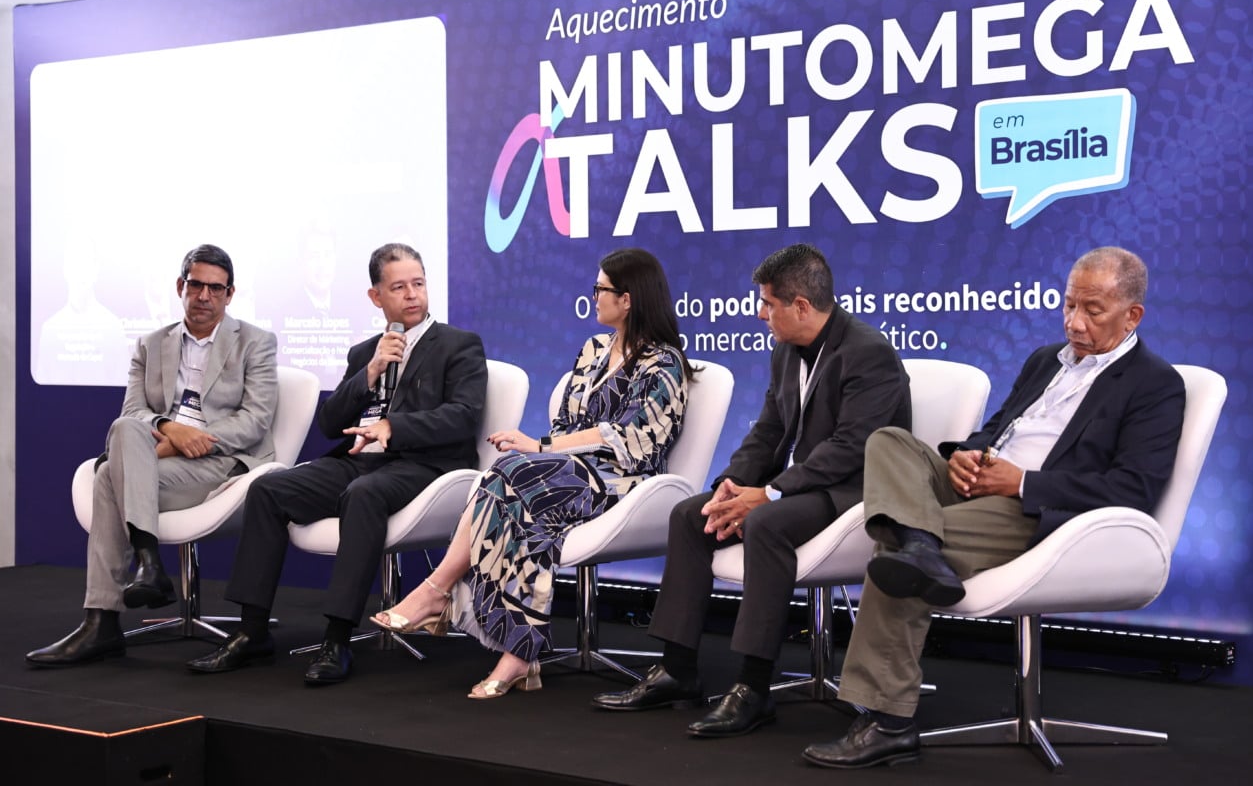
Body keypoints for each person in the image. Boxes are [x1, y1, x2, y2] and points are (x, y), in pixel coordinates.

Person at [800, 246, 1186, 769]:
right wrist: (965, 455)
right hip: (980, 484)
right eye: (1069, 305)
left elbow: (1133, 488)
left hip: (1035, 512)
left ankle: (889, 721)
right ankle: (922, 544)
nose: (1074, 321)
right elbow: (999, 426)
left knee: (893, 554)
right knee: (890, 441)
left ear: (1132, 314)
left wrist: (1022, 483)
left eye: (1092, 310)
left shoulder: (1155, 384)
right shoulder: (1044, 359)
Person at [593, 243, 911, 737]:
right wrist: (730, 486)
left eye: (767, 304)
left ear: (800, 306)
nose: (760, 314)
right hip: (801, 487)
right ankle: (678, 670)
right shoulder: (785, 351)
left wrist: (771, 494)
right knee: (690, 515)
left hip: (854, 496)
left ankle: (752, 688)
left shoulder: (869, 353)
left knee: (765, 522)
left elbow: (852, 449)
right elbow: (766, 432)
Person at [369, 247, 692, 699]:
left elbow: (635, 438)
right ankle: (519, 655)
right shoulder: (594, 349)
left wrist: (540, 447)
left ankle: (438, 591)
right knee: (518, 497)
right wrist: (546, 450)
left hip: (625, 482)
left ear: (629, 299)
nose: (594, 296)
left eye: (601, 289)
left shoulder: (664, 361)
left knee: (512, 474)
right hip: (571, 473)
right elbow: (565, 424)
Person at [185, 243, 487, 685]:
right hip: (360, 460)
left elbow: (463, 417)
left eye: (418, 284)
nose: (412, 296)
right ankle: (251, 633)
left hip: (426, 468)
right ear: (376, 297)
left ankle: (337, 639)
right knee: (269, 490)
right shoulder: (366, 351)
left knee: (362, 495)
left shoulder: (459, 345)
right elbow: (330, 423)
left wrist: (393, 426)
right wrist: (369, 373)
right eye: (399, 287)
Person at [27, 244, 278, 667]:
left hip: (220, 464)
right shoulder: (150, 344)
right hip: (162, 457)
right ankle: (145, 564)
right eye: (196, 285)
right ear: (180, 286)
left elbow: (255, 421)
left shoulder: (255, 342)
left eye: (216, 289)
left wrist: (188, 438)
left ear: (230, 295)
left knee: (110, 477)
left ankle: (103, 620)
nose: (204, 296)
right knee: (126, 431)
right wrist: (168, 428)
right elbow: (133, 412)